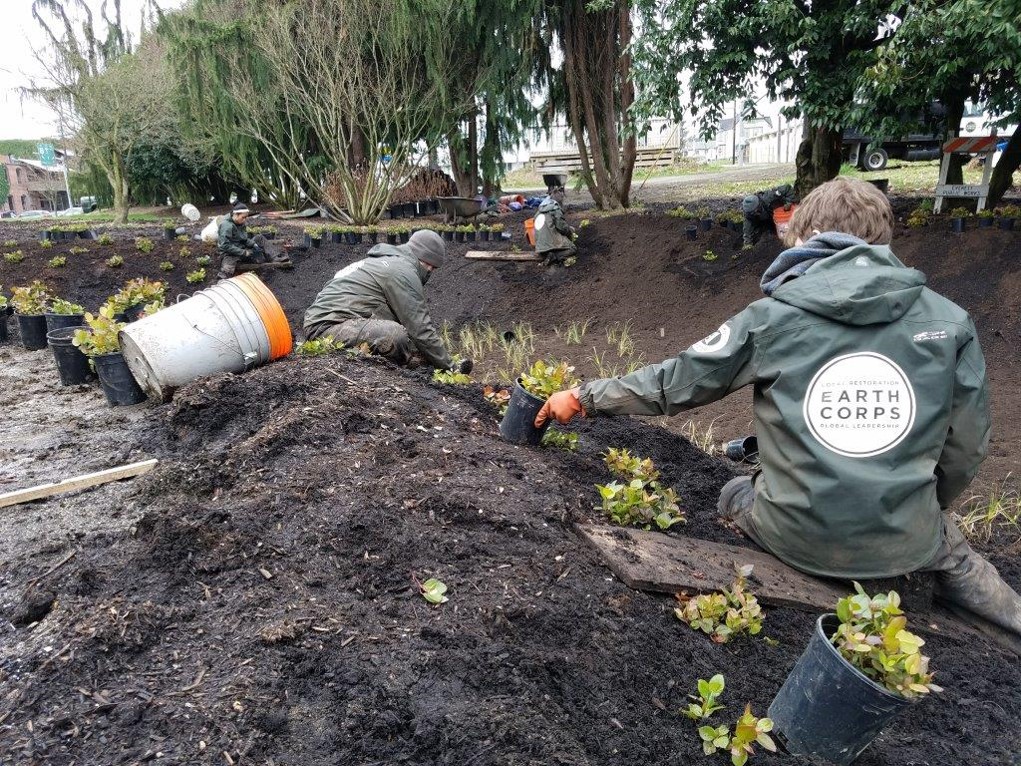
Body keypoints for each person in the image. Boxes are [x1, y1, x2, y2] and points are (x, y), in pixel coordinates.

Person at [535, 177, 1021, 636]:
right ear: (881, 238)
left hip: (794, 534)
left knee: (732, 494)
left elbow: (675, 382)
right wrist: (923, 509)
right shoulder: (950, 321)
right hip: (908, 538)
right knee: (953, 551)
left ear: (807, 235)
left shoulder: (771, 318)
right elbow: (967, 444)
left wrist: (583, 395)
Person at [303, 229, 470, 373]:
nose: (430, 272)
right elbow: (420, 329)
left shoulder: (385, 262)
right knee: (394, 335)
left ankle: (415, 361)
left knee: (406, 339)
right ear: (425, 260)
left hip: (332, 322)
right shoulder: (402, 272)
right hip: (326, 329)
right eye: (431, 267)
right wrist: (451, 368)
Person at [216, 202, 292, 280]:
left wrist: (253, 244)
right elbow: (225, 246)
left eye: (246, 217)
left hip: (241, 247)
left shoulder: (239, 222)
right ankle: (225, 274)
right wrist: (243, 252)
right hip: (231, 252)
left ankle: (275, 257)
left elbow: (243, 239)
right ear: (236, 215)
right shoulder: (227, 226)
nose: (245, 220)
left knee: (259, 238)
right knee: (228, 265)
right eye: (243, 217)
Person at [533, 186, 576, 265]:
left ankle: (546, 254)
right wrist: (570, 231)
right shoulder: (554, 208)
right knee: (572, 248)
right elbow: (562, 227)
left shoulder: (540, 209)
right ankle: (554, 256)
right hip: (550, 243)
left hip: (539, 246)